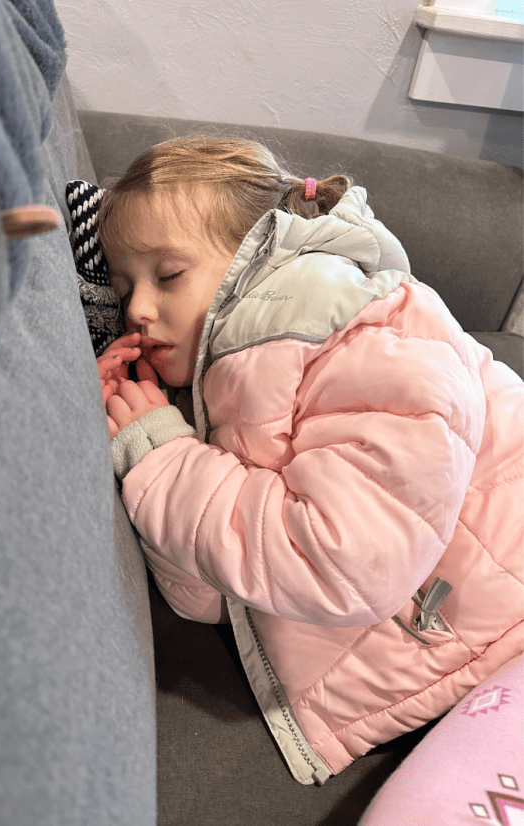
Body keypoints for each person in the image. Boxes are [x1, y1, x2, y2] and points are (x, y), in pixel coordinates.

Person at [95, 135, 524, 785]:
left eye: (169, 274)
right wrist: (150, 447)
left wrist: (168, 461)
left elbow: (346, 560)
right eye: (124, 285)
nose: (136, 309)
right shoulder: (229, 377)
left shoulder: (359, 327)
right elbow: (221, 595)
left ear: (255, 253)